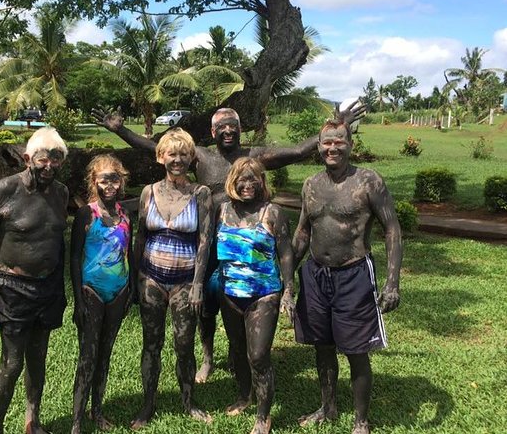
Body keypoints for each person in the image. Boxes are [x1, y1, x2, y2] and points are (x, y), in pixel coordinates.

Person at [91, 103, 365, 383]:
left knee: (243, 296)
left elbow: (296, 151)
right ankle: (208, 357)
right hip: (208, 242)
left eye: (233, 125)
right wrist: (121, 130)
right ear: (213, 132)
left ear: (240, 128)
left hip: (243, 243)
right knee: (204, 304)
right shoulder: (201, 156)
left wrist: (333, 127)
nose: (228, 130)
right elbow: (156, 148)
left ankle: (242, 353)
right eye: (221, 126)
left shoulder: (254, 156)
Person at [291, 119, 402, 434]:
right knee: (322, 346)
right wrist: (284, 274)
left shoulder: (368, 181)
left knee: (356, 350)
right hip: (315, 275)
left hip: (354, 274)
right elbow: (302, 232)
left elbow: (392, 229)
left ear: (351, 145)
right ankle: (327, 407)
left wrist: (392, 283)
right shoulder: (311, 184)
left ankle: (361, 421)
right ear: (318, 146)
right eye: (327, 142)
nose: (332, 148)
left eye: (339, 142)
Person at [0, 127, 69, 434]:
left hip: (48, 288)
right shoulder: (6, 189)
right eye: (42, 159)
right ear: (27, 159)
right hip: (13, 289)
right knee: (12, 364)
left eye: (56, 159)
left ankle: (32, 422)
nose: (49, 166)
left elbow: (57, 242)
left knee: (38, 359)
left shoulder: (61, 193)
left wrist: (60, 290)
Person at [130, 128, 213, 429]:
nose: (177, 160)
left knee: (184, 344)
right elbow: (141, 236)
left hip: (184, 282)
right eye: (171, 154)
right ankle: (148, 404)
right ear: (160, 157)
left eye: (184, 154)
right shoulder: (148, 192)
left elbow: (205, 241)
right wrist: (135, 280)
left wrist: (198, 284)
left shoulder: (200, 194)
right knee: (151, 344)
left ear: (191, 158)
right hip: (151, 279)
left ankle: (189, 401)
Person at [215, 157, 295, 434]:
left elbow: (286, 253)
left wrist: (288, 290)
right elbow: (208, 249)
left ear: (262, 181)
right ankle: (244, 395)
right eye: (242, 179)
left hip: (263, 294)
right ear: (232, 181)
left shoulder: (272, 212)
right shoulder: (222, 210)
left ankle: (263, 417)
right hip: (229, 293)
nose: (247, 184)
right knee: (238, 351)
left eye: (253, 179)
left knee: (258, 356)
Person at [70, 154, 133, 433]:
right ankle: (76, 421)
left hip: (118, 292)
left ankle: (97, 411)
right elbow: (74, 258)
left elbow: (129, 252)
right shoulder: (86, 214)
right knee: (88, 356)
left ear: (121, 182)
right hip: (91, 292)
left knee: (105, 354)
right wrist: (78, 300)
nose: (110, 185)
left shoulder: (125, 215)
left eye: (115, 179)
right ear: (94, 181)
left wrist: (131, 289)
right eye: (104, 180)